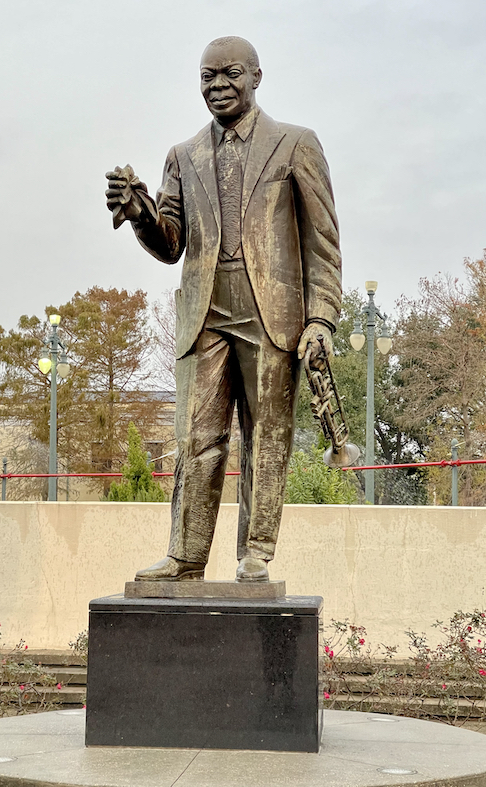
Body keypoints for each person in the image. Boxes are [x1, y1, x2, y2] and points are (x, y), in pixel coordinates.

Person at [106, 36, 342, 582]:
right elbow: (170, 245)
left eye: (229, 73)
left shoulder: (295, 144)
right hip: (204, 311)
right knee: (197, 437)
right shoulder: (183, 156)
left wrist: (321, 317)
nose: (217, 85)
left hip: (272, 311)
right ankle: (185, 557)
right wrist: (140, 210)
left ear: (257, 76)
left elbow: (323, 242)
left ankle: (255, 553)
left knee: (268, 436)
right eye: (207, 76)